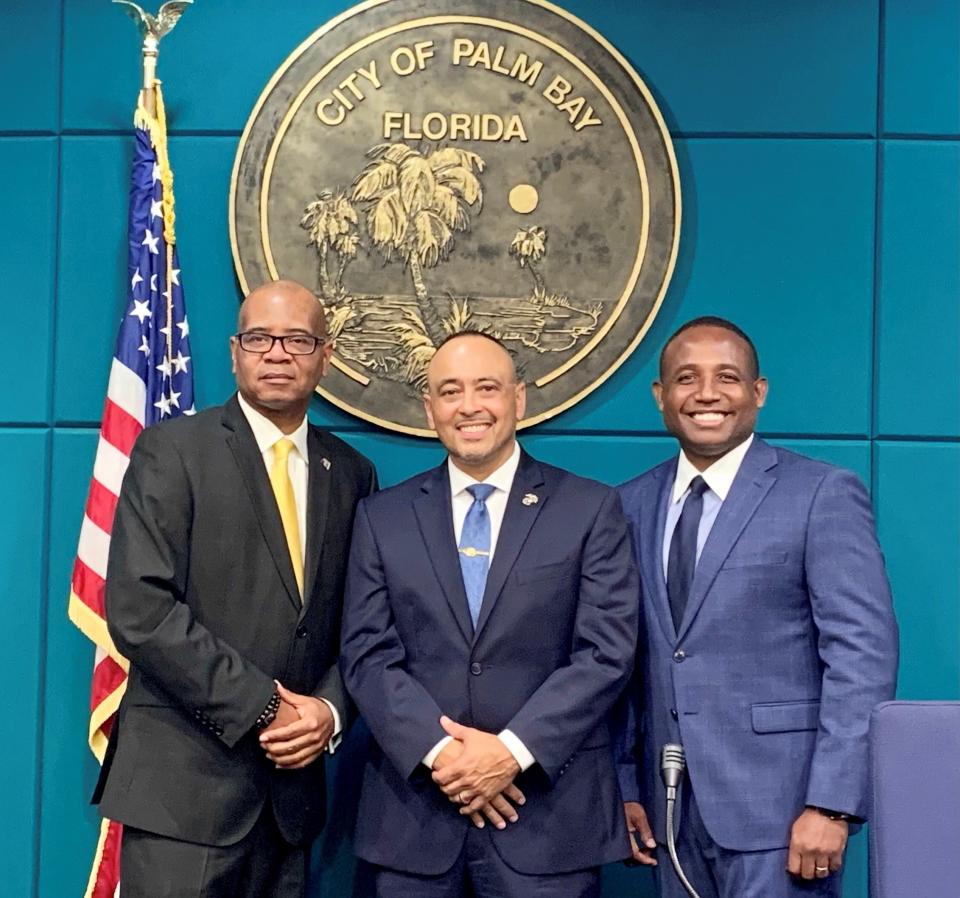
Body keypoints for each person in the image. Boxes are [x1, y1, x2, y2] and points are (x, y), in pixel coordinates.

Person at [95, 280, 377, 897]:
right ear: (234, 352)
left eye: (298, 339)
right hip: (184, 797)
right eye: (259, 338)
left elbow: (363, 623)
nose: (277, 353)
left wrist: (327, 711)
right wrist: (266, 706)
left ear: (325, 356)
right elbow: (140, 610)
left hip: (291, 805)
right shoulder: (172, 452)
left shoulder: (353, 473)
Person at [340, 331, 639, 898]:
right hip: (415, 820)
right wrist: (445, 756)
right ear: (430, 409)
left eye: (487, 388)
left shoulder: (590, 509)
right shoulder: (383, 517)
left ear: (518, 399)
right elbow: (366, 655)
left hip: (549, 821)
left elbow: (606, 653)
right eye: (450, 391)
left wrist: (509, 753)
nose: (469, 406)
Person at [615, 316, 899, 898]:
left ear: (758, 392)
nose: (707, 394)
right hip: (669, 811)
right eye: (686, 378)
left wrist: (833, 804)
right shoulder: (630, 504)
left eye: (728, 377)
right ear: (661, 396)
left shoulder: (820, 493)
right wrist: (623, 784)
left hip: (784, 815)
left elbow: (862, 655)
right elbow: (623, 660)